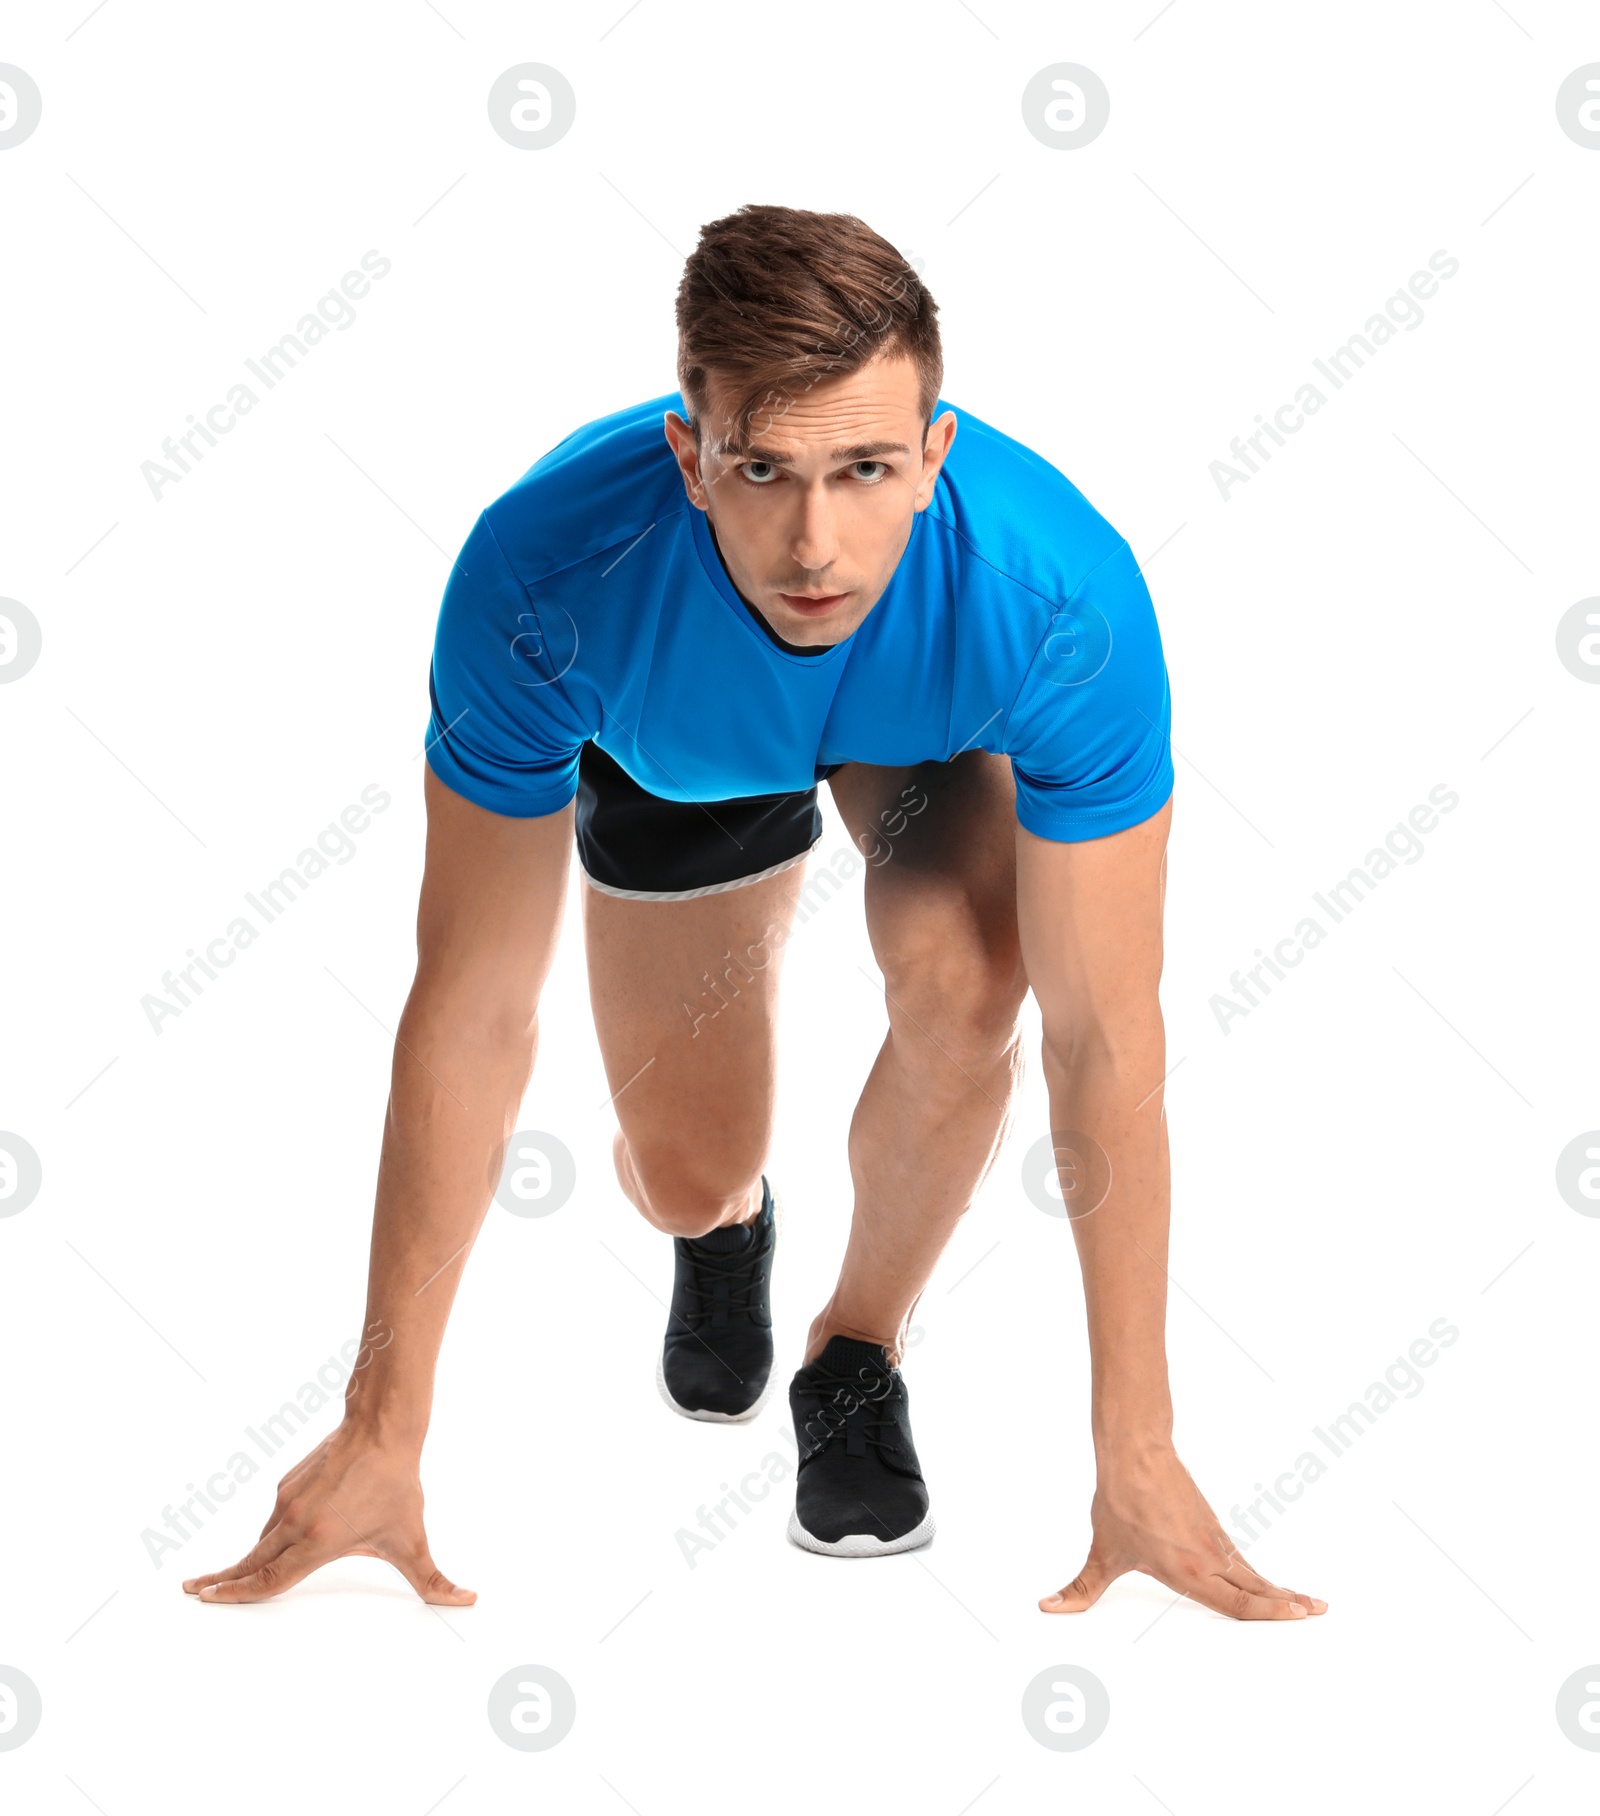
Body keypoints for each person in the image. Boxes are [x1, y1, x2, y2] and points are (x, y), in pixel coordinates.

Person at [185, 203, 1325, 1621]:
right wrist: (383, 1424)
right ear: (689, 456)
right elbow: (471, 1008)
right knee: (681, 1169)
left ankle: (852, 1354)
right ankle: (724, 1232)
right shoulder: (540, 581)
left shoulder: (1057, 597)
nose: (813, 544)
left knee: (973, 981)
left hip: (923, 730)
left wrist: (1138, 1450)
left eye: (864, 470)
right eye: (763, 470)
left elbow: (1105, 1037)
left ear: (934, 457)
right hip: (683, 749)